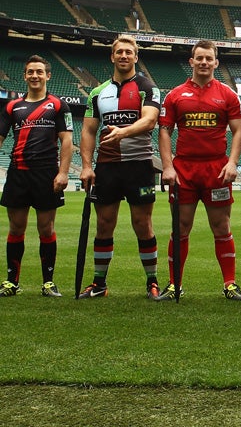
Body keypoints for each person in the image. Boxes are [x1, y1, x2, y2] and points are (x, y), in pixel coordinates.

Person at [157, 40, 241, 300]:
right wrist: (167, 166)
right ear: (192, 62)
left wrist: (232, 162)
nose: (204, 62)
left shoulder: (227, 94)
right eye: (200, 58)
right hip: (184, 169)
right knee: (180, 227)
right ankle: (175, 285)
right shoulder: (174, 95)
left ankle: (230, 284)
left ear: (216, 63)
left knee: (221, 225)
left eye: (209, 58)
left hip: (216, 169)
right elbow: (165, 131)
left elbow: (239, 130)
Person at [78, 35, 162, 300]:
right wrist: (86, 166)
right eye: (119, 52)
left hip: (140, 166)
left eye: (129, 52)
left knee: (143, 223)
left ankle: (152, 282)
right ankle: (99, 284)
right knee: (104, 224)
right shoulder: (97, 92)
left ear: (136, 57)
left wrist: (122, 133)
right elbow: (89, 131)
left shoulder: (148, 88)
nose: (124, 56)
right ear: (112, 57)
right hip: (107, 167)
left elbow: (149, 121)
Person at [0, 55, 72, 298]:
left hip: (46, 174)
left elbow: (67, 140)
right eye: (30, 72)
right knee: (16, 227)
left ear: (48, 76)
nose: (35, 76)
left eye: (39, 72)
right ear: (25, 75)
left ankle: (48, 282)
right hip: (18, 173)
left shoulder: (59, 105)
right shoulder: (11, 107)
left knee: (46, 228)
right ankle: (12, 282)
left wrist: (63, 173)